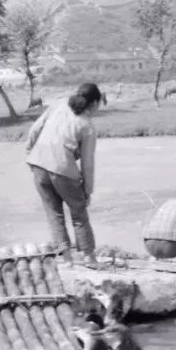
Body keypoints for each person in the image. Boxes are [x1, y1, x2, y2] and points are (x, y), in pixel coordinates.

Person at [25, 81, 105, 262]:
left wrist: (29, 154)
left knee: (54, 213)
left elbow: (34, 130)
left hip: (38, 164)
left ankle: (66, 258)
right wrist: (87, 190)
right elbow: (88, 163)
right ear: (94, 103)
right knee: (79, 214)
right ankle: (88, 257)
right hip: (62, 170)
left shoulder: (58, 105)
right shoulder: (87, 126)